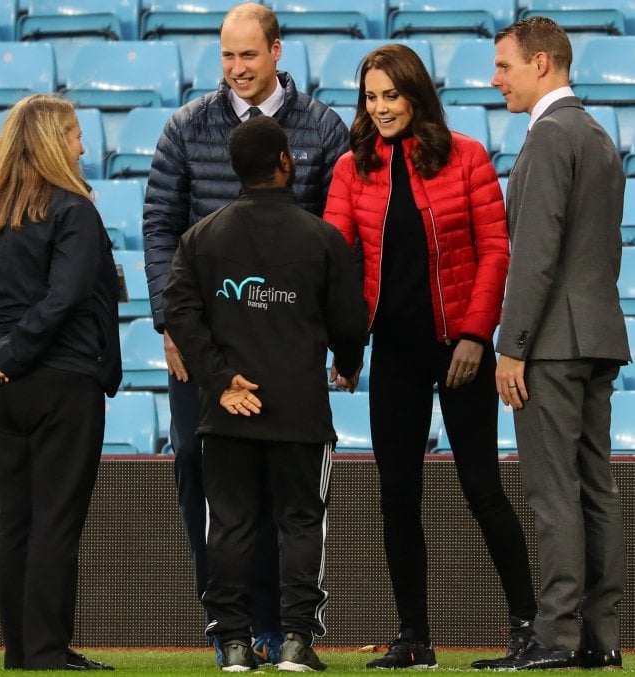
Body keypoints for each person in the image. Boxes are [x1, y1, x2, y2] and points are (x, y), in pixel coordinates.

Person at [142, 2, 350, 663]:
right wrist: (170, 324)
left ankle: (271, 627)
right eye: (227, 56)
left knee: (273, 490)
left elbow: (332, 237)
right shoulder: (185, 126)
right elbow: (157, 227)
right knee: (203, 474)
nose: (236, 68)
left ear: (277, 52)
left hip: (285, 345)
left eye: (249, 55)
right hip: (204, 346)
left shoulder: (323, 128)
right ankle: (232, 627)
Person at [323, 43, 538, 670]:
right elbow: (338, 262)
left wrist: (475, 335)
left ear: (416, 93)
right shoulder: (350, 168)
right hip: (393, 355)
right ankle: (414, 637)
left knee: (482, 488)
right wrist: (346, 346)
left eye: (392, 94)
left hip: (461, 351)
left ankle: (527, 625)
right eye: (371, 96)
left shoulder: (466, 156)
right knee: (396, 495)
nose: (382, 107)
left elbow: (496, 250)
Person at [163, 115, 368, 672]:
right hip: (300, 413)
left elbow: (178, 313)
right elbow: (352, 319)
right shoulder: (322, 238)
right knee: (301, 523)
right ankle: (296, 642)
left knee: (229, 525)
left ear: (234, 169)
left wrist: (220, 379)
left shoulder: (201, 237)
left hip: (226, 414)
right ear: (286, 163)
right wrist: (347, 365)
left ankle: (233, 643)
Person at [0, 93, 120, 671]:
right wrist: (9, 355)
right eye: (72, 135)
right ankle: (47, 651)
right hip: (61, 383)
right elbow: (63, 299)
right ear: (49, 143)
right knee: (55, 520)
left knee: (14, 515)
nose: (83, 146)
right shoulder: (74, 211)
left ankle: (22, 650)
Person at [492, 17, 629, 671]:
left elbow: (537, 255)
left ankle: (555, 637)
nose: (497, 80)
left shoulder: (549, 137)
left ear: (541, 63)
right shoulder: (601, 137)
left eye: (506, 67)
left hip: (550, 340)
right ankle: (601, 637)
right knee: (595, 489)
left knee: (552, 491)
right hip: (599, 331)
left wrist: (512, 344)